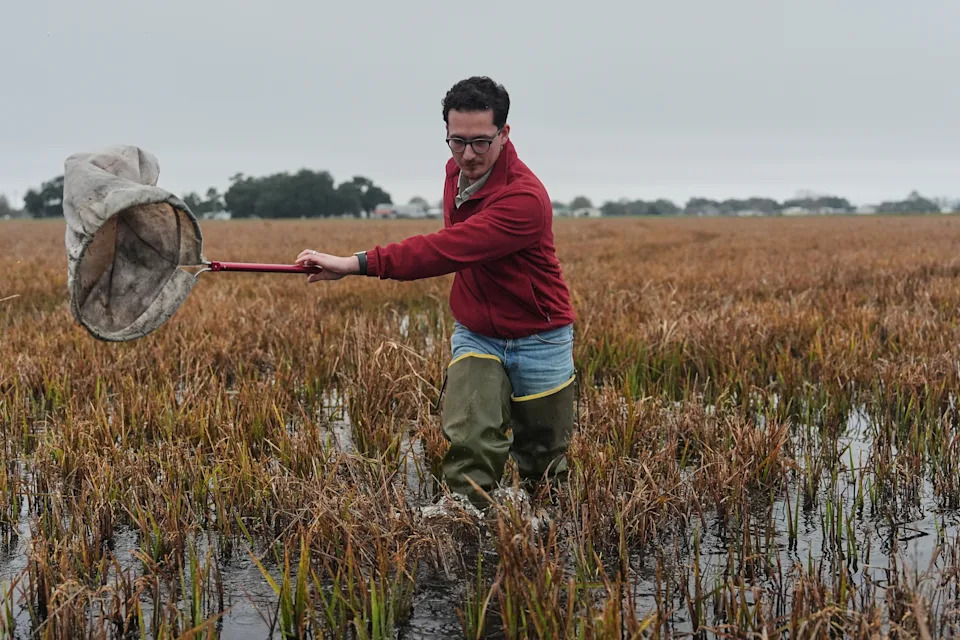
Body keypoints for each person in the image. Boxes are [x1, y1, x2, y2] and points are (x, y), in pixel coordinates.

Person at [295, 76, 576, 509]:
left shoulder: (525, 199)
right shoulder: (456, 172)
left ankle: (543, 547)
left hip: (540, 336)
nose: (467, 155)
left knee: (544, 466)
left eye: (481, 142)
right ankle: (466, 533)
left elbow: (447, 249)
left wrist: (353, 264)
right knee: (471, 437)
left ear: (505, 134)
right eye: (456, 141)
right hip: (478, 332)